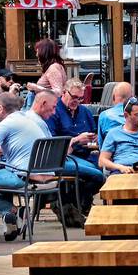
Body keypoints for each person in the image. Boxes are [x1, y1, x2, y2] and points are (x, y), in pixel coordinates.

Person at [0, 91, 51, 241]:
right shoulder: (29, 119)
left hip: (22, 175)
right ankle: (11, 218)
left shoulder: (5, 123)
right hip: (46, 174)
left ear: (1, 108)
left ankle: (10, 210)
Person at [47, 76, 105, 215]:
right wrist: (76, 139)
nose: (77, 101)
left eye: (80, 98)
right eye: (74, 97)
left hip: (86, 153)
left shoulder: (84, 111)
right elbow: (52, 142)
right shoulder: (54, 111)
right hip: (65, 156)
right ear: (64, 92)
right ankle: (77, 204)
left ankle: (73, 203)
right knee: (97, 176)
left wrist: (94, 139)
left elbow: (93, 132)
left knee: (106, 170)